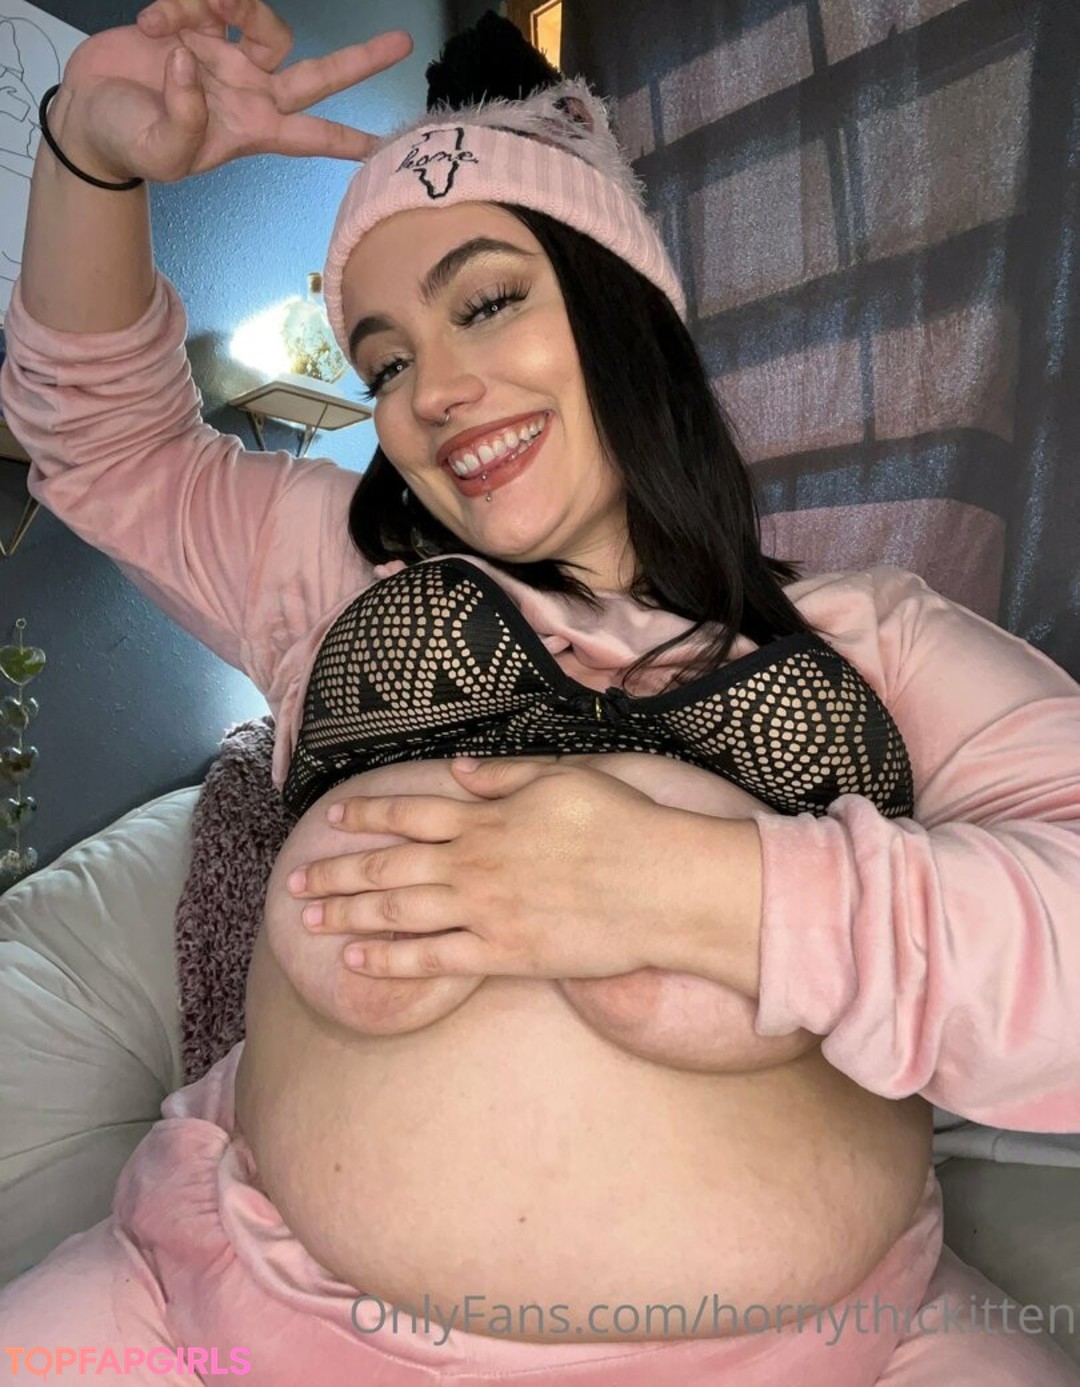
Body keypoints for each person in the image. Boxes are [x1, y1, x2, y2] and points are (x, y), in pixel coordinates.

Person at [0, 2, 1078, 1383]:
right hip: (234, 1315)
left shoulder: (878, 641)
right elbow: (105, 445)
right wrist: (88, 158)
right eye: (386, 362)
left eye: (488, 302)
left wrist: (682, 889)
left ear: (625, 307)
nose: (434, 392)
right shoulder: (333, 574)